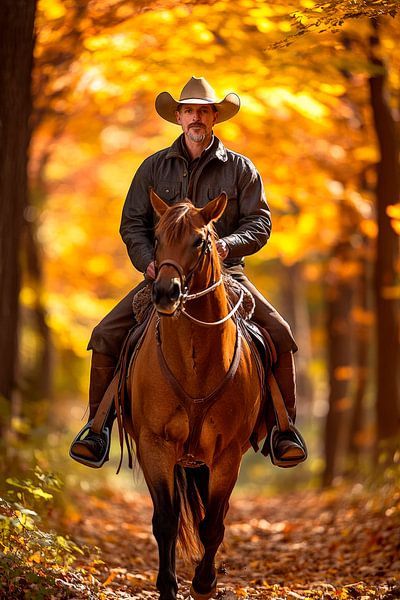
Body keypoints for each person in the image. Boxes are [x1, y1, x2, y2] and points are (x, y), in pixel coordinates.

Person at [70, 76, 307, 468]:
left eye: (203, 110)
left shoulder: (241, 169)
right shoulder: (152, 167)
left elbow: (260, 223)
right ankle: (98, 430)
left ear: (215, 117)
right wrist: (147, 260)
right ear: (178, 117)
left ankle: (285, 430)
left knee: (280, 334)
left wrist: (227, 245)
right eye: (189, 110)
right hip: (165, 275)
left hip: (225, 274)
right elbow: (132, 223)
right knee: (105, 334)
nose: (196, 117)